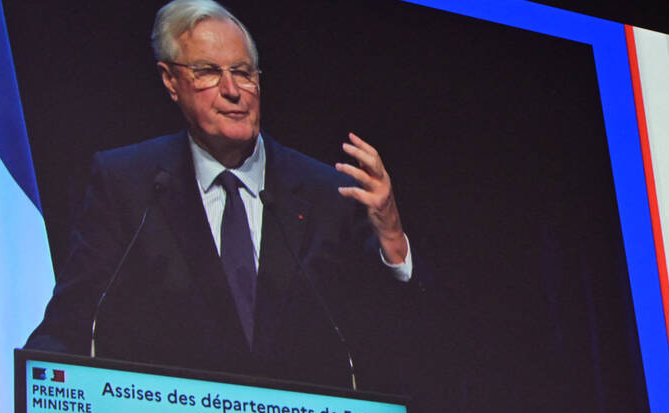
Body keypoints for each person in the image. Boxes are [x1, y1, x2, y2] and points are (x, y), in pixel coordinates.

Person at [26, 0, 415, 390]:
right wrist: (38, 393)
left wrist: (394, 238)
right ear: (169, 80)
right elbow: (72, 324)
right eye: (208, 72)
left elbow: (393, 338)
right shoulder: (127, 184)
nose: (233, 91)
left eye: (243, 73)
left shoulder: (327, 191)